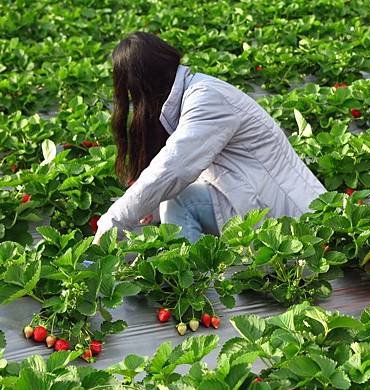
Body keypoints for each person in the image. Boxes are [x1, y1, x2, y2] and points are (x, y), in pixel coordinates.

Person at [93, 32, 325, 244]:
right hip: (258, 198)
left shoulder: (206, 99)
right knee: (170, 198)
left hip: (291, 218)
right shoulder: (194, 92)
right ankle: (188, 272)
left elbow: (173, 168)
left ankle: (192, 281)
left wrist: (113, 222)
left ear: (143, 84)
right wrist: (149, 203)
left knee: (179, 202)